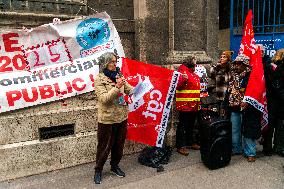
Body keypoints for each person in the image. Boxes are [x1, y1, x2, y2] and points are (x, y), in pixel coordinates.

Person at [93, 52, 133, 184]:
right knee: (104, 146)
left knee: (119, 145)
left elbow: (128, 89)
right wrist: (117, 87)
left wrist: (140, 89)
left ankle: (114, 166)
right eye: (112, 62)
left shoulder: (118, 75)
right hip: (107, 119)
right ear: (105, 63)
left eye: (116, 62)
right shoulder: (99, 79)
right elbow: (104, 99)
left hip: (121, 116)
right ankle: (98, 170)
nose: (115, 64)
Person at [175, 56, 201, 156]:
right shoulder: (183, 73)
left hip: (193, 105)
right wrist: (182, 80)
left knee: (191, 125)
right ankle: (180, 146)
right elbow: (177, 86)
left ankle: (190, 142)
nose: (196, 65)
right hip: (185, 105)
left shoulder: (192, 74)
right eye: (195, 64)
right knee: (182, 126)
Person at [270, 49, 284, 157]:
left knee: (276, 125)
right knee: (280, 125)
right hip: (279, 101)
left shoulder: (274, 66)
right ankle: (278, 147)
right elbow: (278, 86)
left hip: (274, 100)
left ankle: (272, 147)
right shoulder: (280, 68)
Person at [209, 51, 233, 116]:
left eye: (224, 57)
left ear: (228, 59)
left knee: (227, 114)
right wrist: (217, 66)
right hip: (219, 94)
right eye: (221, 57)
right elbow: (211, 74)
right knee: (218, 114)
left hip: (229, 95)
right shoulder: (217, 67)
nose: (222, 58)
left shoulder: (231, 68)